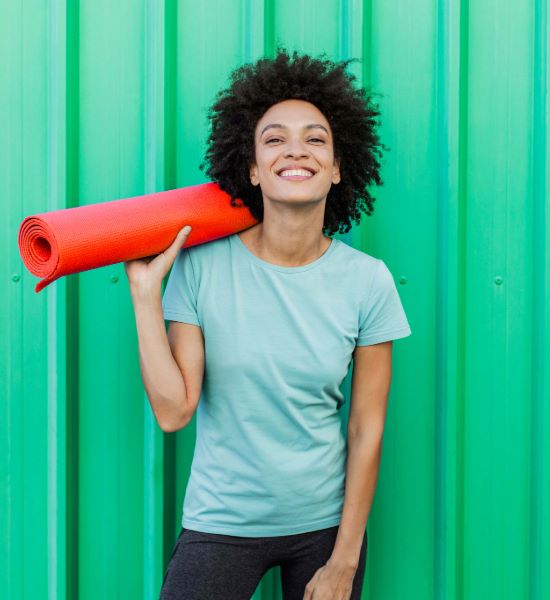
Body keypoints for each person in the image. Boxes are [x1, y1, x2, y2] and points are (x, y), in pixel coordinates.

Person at [125, 48, 411, 600]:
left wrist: (343, 563)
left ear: (336, 167)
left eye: (315, 139)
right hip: (222, 521)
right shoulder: (201, 266)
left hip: (325, 529)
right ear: (252, 167)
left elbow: (366, 429)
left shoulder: (367, 281)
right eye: (274, 139)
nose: (295, 150)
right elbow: (172, 411)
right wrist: (144, 295)